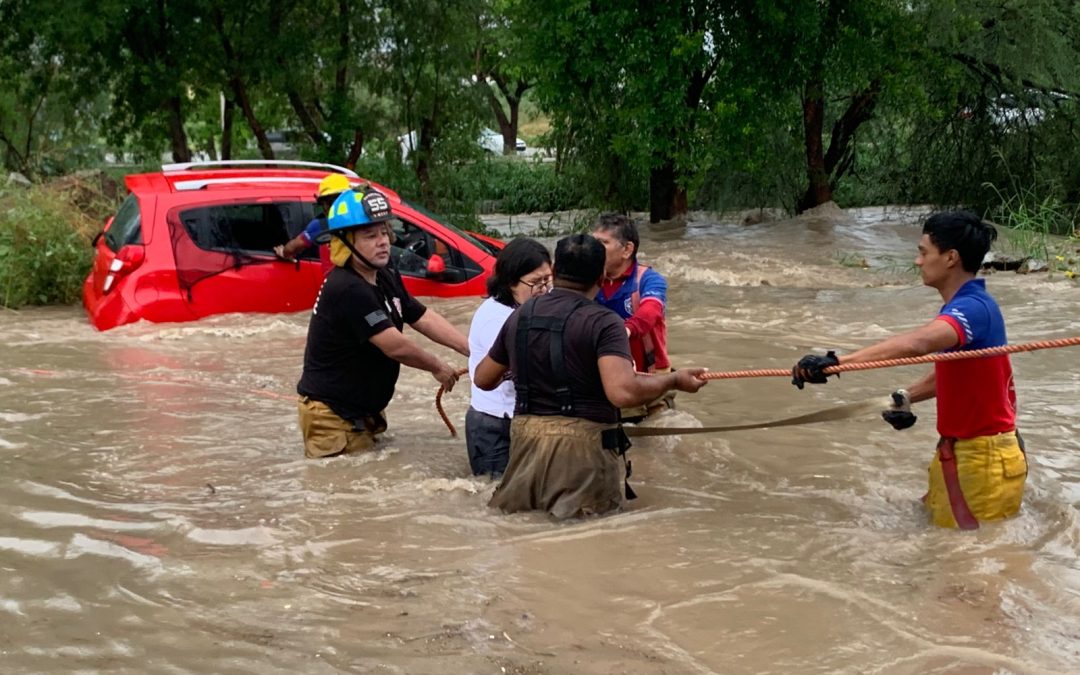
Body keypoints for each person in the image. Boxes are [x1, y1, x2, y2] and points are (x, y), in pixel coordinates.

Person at [791, 211, 1027, 530]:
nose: (917, 261)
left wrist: (835, 364)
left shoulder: (972, 308)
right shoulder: (967, 305)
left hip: (982, 461)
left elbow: (919, 343)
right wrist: (906, 397)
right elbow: (954, 377)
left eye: (923, 252)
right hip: (963, 454)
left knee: (969, 568)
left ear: (950, 258)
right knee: (942, 552)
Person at [473, 234, 708, 519]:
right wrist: (674, 380)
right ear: (602, 276)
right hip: (583, 454)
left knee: (525, 534)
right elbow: (622, 392)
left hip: (526, 449)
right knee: (587, 539)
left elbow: (484, 378)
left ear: (556, 272)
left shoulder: (521, 315)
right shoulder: (604, 322)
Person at [295, 188, 469, 459]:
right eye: (370, 236)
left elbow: (421, 316)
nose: (383, 242)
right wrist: (438, 367)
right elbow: (393, 345)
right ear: (345, 242)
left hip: (363, 412)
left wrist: (471, 349)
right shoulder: (346, 287)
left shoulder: (384, 274)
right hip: (334, 417)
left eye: (384, 232)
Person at [466, 238, 552, 479]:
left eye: (548, 279)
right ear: (510, 282)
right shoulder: (496, 318)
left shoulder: (528, 306)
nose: (544, 289)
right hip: (494, 425)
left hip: (521, 419)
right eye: (535, 282)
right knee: (496, 501)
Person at [591, 213, 673, 420]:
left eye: (602, 243)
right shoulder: (588, 280)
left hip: (649, 379)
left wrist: (623, 330)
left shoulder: (649, 280)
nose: (592, 250)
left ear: (627, 249)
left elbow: (651, 311)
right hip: (606, 378)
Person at [274, 173, 354, 274]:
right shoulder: (362, 220)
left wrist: (284, 253)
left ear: (325, 203)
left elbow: (292, 248)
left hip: (335, 284)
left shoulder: (320, 226)